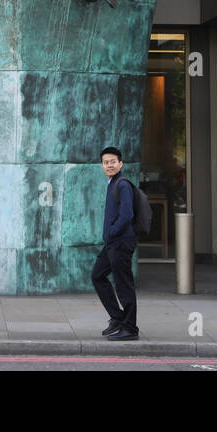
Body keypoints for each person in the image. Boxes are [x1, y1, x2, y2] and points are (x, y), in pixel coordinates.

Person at [91, 146, 138, 341]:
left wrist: (112, 232)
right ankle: (118, 318)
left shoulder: (123, 184)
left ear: (120, 163)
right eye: (105, 162)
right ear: (102, 165)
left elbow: (127, 215)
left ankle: (130, 328)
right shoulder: (112, 183)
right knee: (98, 275)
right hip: (112, 242)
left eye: (112, 162)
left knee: (123, 285)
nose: (109, 165)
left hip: (120, 242)